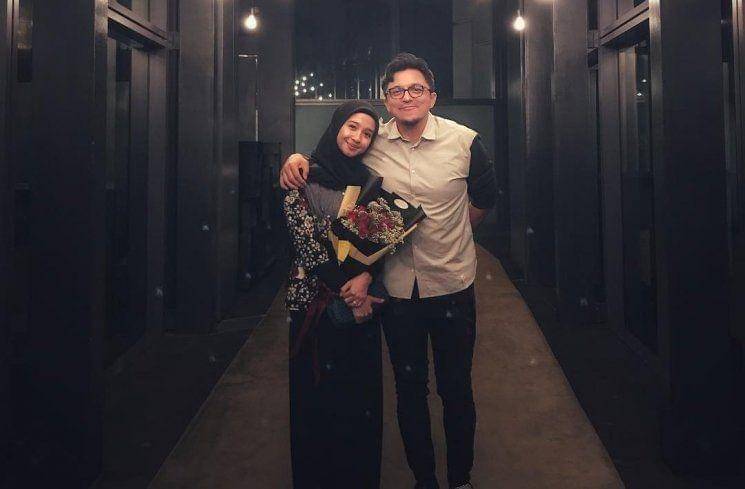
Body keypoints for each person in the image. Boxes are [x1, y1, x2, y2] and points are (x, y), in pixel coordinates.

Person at [281, 53, 497, 489]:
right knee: (410, 390)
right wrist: (294, 159)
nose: (407, 96)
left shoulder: (464, 142)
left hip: (452, 283)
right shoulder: (374, 140)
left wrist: (452, 238)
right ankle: (424, 480)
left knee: (456, 388)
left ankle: (460, 479)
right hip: (398, 289)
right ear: (387, 98)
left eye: (416, 88)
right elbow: (338, 151)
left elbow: (484, 200)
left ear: (432, 96)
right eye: (397, 90)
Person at [283, 100, 385, 489]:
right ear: (336, 125)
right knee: (314, 406)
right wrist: (349, 290)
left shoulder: (371, 182)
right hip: (312, 306)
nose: (358, 138)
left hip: (359, 306)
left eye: (367, 134)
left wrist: (366, 278)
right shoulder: (300, 176)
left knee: (359, 403)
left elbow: (378, 243)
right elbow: (307, 247)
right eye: (352, 127)